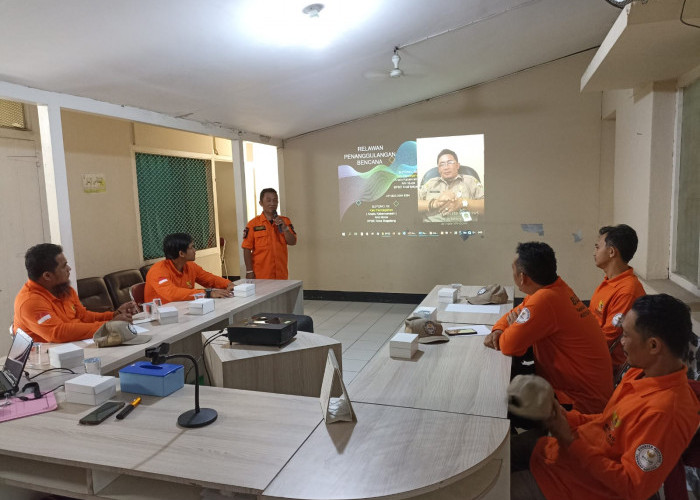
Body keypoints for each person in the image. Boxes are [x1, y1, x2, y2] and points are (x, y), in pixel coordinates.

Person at [512, 294, 700, 500]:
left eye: (627, 335)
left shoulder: (666, 413)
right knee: (504, 452)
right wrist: (564, 417)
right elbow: (608, 423)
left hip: (577, 487)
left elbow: (631, 487)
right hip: (567, 454)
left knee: (490, 485)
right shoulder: (639, 373)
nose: (621, 342)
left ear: (653, 346)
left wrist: (569, 440)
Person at [484, 242, 612, 414]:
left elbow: (509, 345)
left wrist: (512, 327)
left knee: (496, 401)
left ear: (523, 277)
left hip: (579, 403)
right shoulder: (555, 287)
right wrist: (498, 329)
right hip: (580, 389)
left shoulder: (545, 300)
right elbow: (515, 312)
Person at [13, 243, 137, 343]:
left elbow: (83, 316)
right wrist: (108, 325)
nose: (69, 269)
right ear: (47, 275)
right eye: (64, 266)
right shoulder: (30, 301)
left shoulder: (64, 289)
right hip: (47, 362)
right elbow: (58, 333)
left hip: (76, 346)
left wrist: (114, 315)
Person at [590, 224, 645, 372]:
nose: (594, 252)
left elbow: (608, 340)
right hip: (592, 347)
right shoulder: (610, 281)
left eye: (597, 247)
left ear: (612, 252)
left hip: (607, 363)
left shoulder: (627, 291)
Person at [145, 233, 234, 304]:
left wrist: (228, 284)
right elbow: (172, 294)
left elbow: (209, 279)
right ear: (181, 254)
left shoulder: (190, 266)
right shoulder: (158, 271)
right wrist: (208, 293)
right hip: (161, 317)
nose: (195, 251)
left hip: (184, 308)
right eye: (191, 247)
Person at [241, 188, 297, 279]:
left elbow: (293, 242)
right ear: (261, 203)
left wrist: (285, 228)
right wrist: (249, 271)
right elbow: (246, 249)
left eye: (275, 200)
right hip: (261, 275)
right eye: (268, 200)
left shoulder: (285, 221)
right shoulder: (253, 224)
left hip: (281, 275)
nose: (272, 203)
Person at [417, 149, 484, 223]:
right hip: (431, 230)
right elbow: (412, 205)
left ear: (457, 165)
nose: (446, 167)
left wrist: (461, 203)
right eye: (442, 164)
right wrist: (434, 203)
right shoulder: (430, 183)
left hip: (463, 230)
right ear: (439, 169)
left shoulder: (470, 181)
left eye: (450, 163)